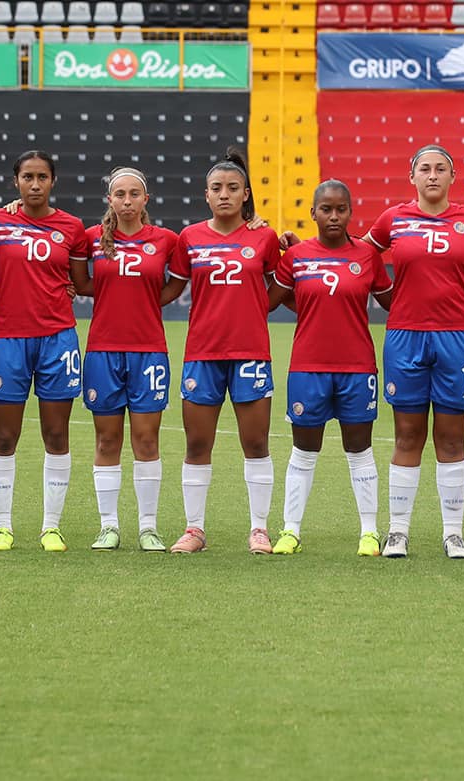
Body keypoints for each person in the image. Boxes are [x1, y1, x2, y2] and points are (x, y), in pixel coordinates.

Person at [363, 144, 464, 559]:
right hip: (406, 335)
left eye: (440, 169)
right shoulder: (393, 219)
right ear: (413, 177)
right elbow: (358, 253)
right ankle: (398, 532)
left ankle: (453, 533)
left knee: (452, 439)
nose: (433, 175)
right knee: (407, 435)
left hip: (459, 337)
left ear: (453, 176)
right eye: (425, 169)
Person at [267, 180, 394, 555]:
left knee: (359, 449)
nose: (334, 216)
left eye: (341, 209)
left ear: (351, 212)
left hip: (357, 367)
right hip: (308, 367)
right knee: (304, 451)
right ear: (313, 213)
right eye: (326, 209)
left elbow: (394, 302)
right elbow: (269, 300)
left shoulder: (367, 256)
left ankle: (369, 533)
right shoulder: (296, 256)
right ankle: (291, 531)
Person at [168, 150, 282, 554]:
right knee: (197, 445)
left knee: (256, 444)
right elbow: (170, 289)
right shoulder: (189, 238)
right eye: (216, 188)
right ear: (206, 194)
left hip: (250, 353)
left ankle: (259, 529)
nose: (224, 194)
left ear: (245, 193)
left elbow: (280, 286)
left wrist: (255, 309)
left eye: (233, 188)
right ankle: (194, 529)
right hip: (203, 353)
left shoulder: (264, 237)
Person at [70, 167, 185, 552]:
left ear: (145, 199)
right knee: (107, 439)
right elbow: (81, 283)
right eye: (119, 194)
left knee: (146, 439)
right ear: (110, 200)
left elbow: (176, 283)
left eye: (134, 194)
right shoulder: (90, 238)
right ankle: (109, 526)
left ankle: (148, 527)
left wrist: (148, 302)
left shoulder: (166, 240)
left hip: (148, 351)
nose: (127, 201)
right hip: (103, 351)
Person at [0, 150, 88, 552]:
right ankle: (3, 527)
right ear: (16, 182)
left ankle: (51, 528)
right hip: (10, 339)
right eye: (27, 177)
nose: (34, 184)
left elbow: (78, 279)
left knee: (56, 433)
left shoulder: (72, 227)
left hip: (58, 338)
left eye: (42, 177)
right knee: (4, 436)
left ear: (52, 181)